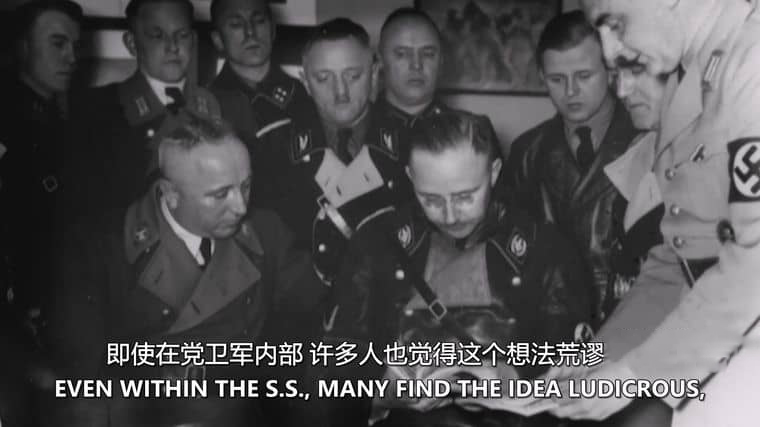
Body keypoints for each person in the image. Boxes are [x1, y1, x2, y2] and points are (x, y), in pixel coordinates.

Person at [543, 0, 760, 425]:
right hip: (719, 344)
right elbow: (680, 258)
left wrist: (637, 373)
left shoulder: (751, 65)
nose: (610, 50)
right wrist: (598, 360)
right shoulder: (692, 77)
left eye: (614, 22)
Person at [307, 111, 594, 427]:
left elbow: (575, 369)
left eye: (465, 197)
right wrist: (379, 391)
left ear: (494, 172)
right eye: (431, 199)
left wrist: (511, 378)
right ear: (410, 176)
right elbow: (335, 362)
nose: (450, 215)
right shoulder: (377, 243)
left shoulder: (544, 249)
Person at [45, 111, 324, 427]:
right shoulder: (102, 250)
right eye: (220, 194)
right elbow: (82, 376)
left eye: (246, 186)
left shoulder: (266, 232)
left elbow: (310, 315)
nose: (240, 207)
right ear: (171, 194)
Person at [504, 10, 642, 327]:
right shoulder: (527, 152)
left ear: (610, 71)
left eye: (584, 76)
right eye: (557, 79)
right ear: (541, 77)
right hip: (549, 330)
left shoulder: (646, 141)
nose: (570, 91)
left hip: (626, 323)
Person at [261, 18, 417, 285]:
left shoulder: (410, 143)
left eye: (353, 76)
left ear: (375, 73)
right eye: (323, 79)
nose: (340, 92)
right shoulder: (274, 149)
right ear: (305, 82)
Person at [0, 1, 82, 426]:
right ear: (22, 48)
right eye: (57, 44)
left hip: (56, 308)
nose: (71, 56)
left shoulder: (62, 119)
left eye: (75, 46)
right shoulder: (9, 118)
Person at [67, 0, 221, 217]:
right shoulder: (98, 109)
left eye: (182, 35)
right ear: (131, 43)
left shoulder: (215, 105)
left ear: (194, 40)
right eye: (157, 35)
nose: (173, 46)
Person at [207, 0, 318, 207]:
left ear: (273, 30)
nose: (250, 32)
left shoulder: (305, 93)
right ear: (218, 39)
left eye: (258, 21)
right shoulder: (208, 106)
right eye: (236, 24)